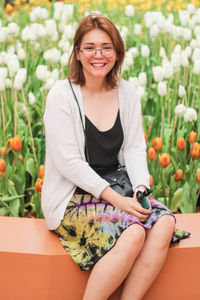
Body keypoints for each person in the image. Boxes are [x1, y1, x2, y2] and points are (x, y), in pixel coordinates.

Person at [41, 13, 188, 300]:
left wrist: (141, 187)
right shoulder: (61, 95)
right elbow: (69, 163)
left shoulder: (126, 92)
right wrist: (119, 201)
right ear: (77, 53)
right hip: (74, 196)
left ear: (117, 52)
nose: (99, 55)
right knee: (133, 232)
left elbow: (133, 149)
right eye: (90, 47)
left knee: (164, 223)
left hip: (118, 186)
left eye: (107, 47)